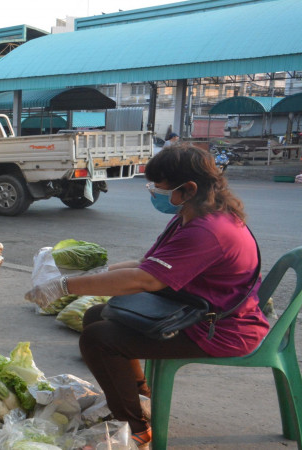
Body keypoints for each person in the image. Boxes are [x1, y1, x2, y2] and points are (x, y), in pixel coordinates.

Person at [25, 144, 268, 446]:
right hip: (194, 309)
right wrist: (93, 274)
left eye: (160, 186)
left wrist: (63, 287)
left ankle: (136, 428)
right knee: (96, 316)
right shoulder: (192, 214)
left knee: (98, 340)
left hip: (221, 328)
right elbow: (146, 263)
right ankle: (140, 398)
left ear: (188, 188)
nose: (153, 191)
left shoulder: (208, 230)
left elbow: (145, 280)